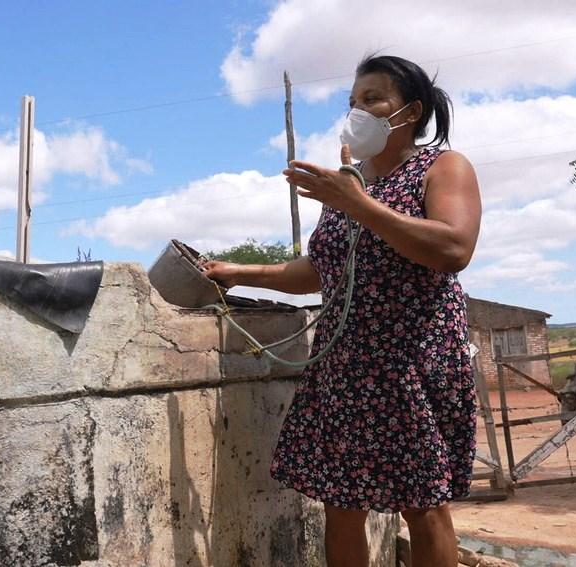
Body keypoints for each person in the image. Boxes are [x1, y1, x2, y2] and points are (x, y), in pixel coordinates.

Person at [202, 54, 481, 567]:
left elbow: (453, 248)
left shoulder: (442, 166)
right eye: (353, 102)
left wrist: (358, 204)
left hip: (411, 362)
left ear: (411, 111)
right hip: (347, 365)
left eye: (373, 99)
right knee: (342, 500)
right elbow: (319, 269)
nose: (358, 111)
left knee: (423, 504)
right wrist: (239, 272)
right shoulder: (349, 185)